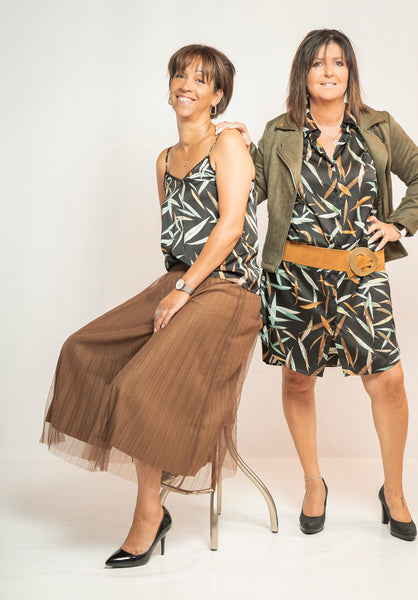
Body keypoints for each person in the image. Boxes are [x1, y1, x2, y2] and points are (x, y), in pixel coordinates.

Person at [40, 44, 261, 568]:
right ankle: (152, 501)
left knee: (142, 387)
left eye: (201, 79)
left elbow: (232, 227)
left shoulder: (228, 144)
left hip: (230, 289)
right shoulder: (163, 161)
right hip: (179, 280)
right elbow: (176, 235)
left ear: (218, 95)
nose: (186, 84)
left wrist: (184, 290)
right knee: (82, 349)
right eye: (180, 75)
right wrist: (177, 287)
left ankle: (148, 516)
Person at [216, 29, 418, 541]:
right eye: (317, 64)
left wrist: (398, 225)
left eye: (338, 62)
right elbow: (247, 192)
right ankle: (313, 484)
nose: (329, 72)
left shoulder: (378, 127)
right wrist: (231, 145)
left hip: (362, 275)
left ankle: (394, 491)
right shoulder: (279, 133)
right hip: (294, 280)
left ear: (350, 72)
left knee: (388, 381)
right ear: (303, 74)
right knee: (298, 380)